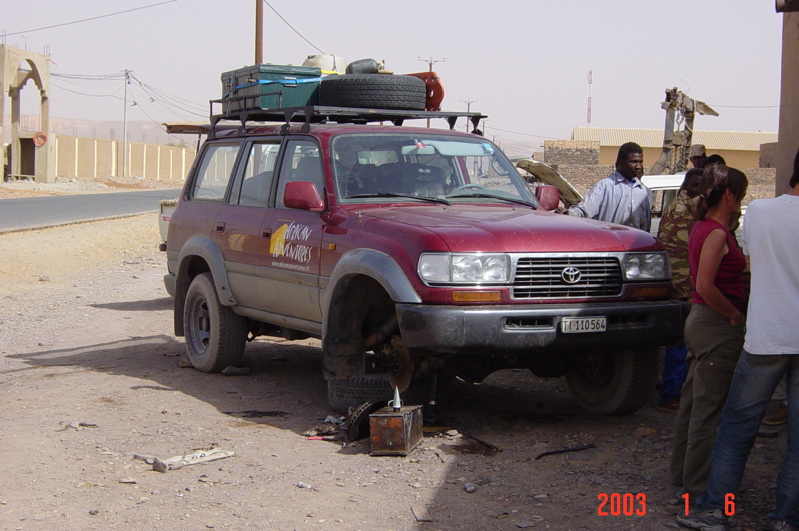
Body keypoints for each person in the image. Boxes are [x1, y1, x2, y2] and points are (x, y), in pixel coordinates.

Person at [677, 150, 799, 531]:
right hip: (744, 328)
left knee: (735, 425)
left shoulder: (761, 213)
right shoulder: (719, 229)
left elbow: (748, 257)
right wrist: (731, 313)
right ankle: (785, 518)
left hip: (765, 336)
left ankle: (715, 509)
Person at [670, 164, 748, 499]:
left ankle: (682, 473)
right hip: (716, 322)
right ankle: (698, 487)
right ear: (728, 195)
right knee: (708, 409)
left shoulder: (703, 226)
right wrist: (733, 314)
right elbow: (706, 284)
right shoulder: (716, 232)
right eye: (740, 195)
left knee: (692, 403)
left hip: (701, 320)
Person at [656, 167, 704, 412]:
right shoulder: (690, 209)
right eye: (695, 185)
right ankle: (671, 393)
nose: (699, 190)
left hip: (678, 284)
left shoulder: (676, 207)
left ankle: (672, 390)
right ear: (687, 187)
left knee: (679, 343)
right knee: (680, 344)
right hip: (684, 287)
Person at [567, 142, 653, 231]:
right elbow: (585, 210)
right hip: (611, 242)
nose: (638, 166)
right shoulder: (605, 186)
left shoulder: (643, 191)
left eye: (640, 162)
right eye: (634, 162)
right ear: (620, 163)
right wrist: (568, 214)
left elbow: (645, 225)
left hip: (635, 244)